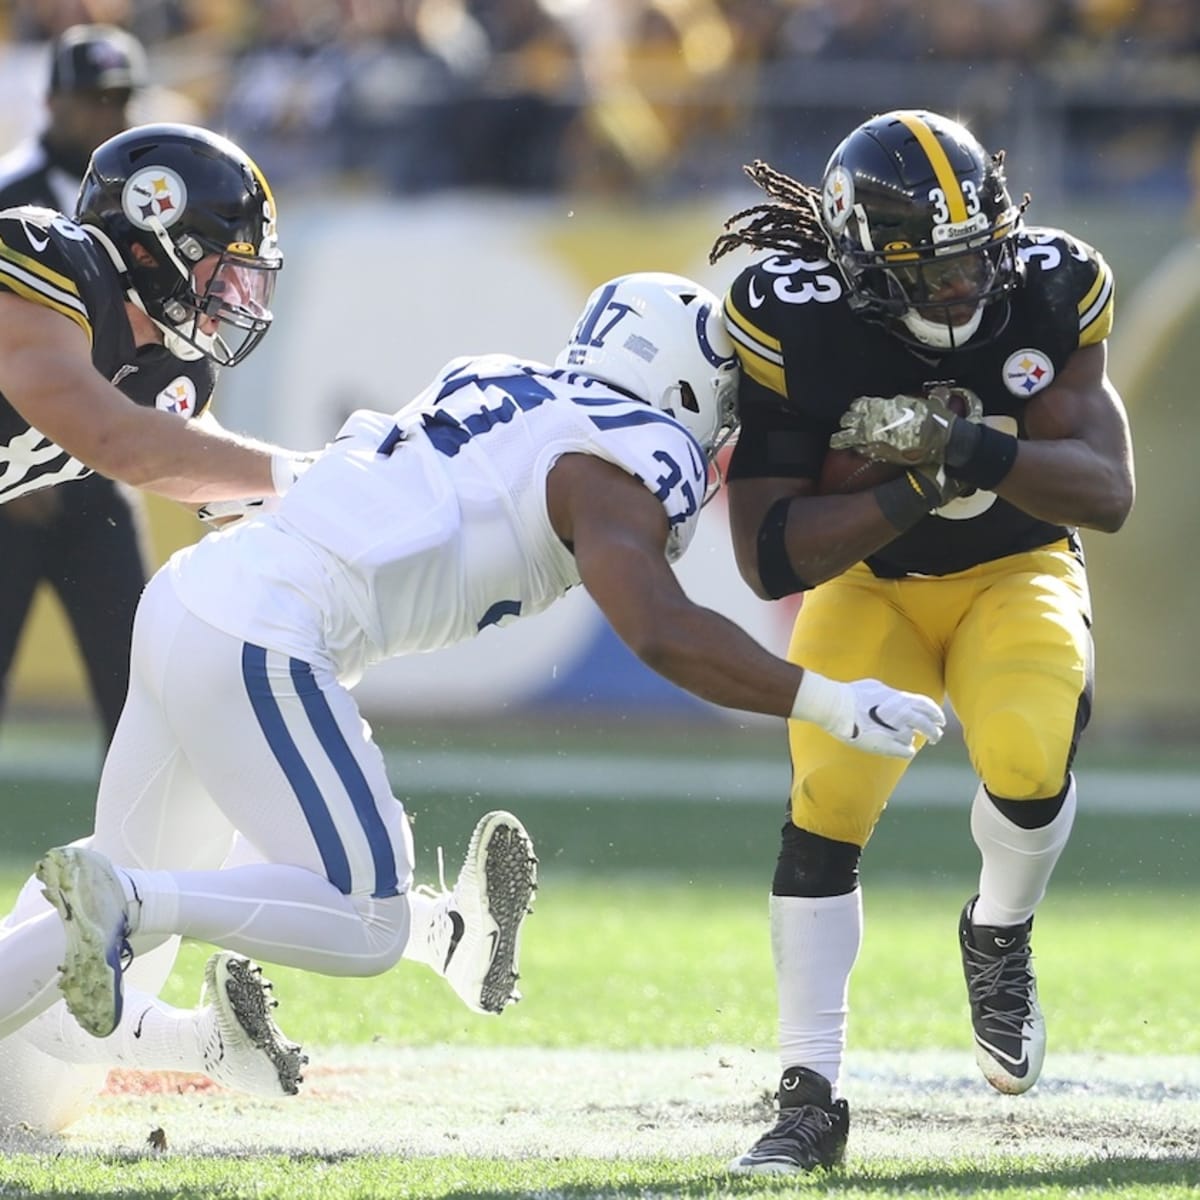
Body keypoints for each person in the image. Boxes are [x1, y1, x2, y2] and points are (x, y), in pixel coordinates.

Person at [1, 273, 945, 1072]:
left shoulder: (500, 377)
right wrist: (823, 698)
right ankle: (154, 904)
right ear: (688, 382)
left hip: (197, 596)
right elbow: (662, 630)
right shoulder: (624, 455)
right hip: (265, 634)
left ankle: (417, 933)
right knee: (356, 916)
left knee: (62, 1018)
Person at [709, 109, 1134, 1174]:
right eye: (934, 274)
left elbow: (1108, 491)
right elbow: (770, 554)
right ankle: (807, 1097)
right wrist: (918, 483)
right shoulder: (792, 319)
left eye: (975, 260)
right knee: (832, 794)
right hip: (874, 586)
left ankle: (998, 933)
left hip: (1019, 566)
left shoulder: (1050, 284)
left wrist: (966, 445)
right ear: (864, 269)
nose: (967, 290)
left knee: (1031, 749)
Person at [0, 113, 314, 1134]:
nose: (234, 298)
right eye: (223, 271)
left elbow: (209, 478)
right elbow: (113, 441)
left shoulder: (162, 371)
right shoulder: (48, 256)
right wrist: (302, 474)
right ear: (154, 231)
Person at [0, 24, 157, 747]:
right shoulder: (9, 196)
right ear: (51, 100)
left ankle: (132, 857)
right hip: (9, 486)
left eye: (118, 99)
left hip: (98, 481)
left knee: (140, 690)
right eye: (91, 97)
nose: (105, 114)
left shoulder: (143, 205)